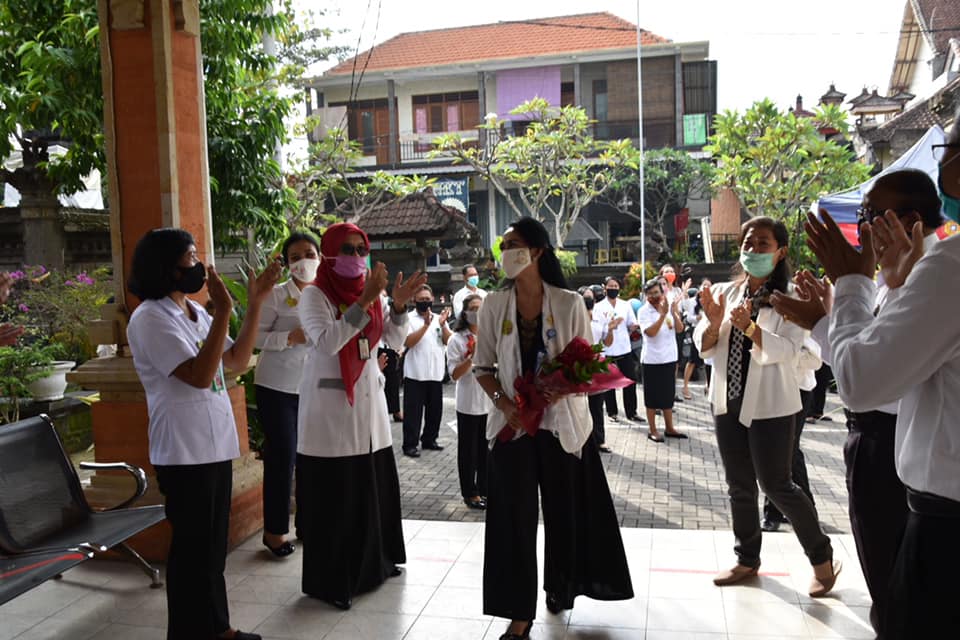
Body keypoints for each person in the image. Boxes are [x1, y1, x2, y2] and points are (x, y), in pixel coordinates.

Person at [772, 168, 946, 637]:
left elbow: (864, 380)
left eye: (868, 215)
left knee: (898, 600)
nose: (860, 229)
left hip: (895, 449)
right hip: (885, 445)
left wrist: (850, 286)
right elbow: (866, 356)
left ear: (908, 218)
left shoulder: (938, 269)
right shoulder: (903, 274)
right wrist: (830, 317)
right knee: (890, 590)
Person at [473, 218, 633, 640]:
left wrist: (560, 391)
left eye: (515, 244)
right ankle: (518, 612)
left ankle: (560, 587)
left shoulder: (567, 303)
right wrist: (503, 403)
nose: (507, 251)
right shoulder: (493, 304)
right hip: (511, 428)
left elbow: (586, 367)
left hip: (561, 425)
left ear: (538, 252)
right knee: (514, 519)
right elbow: (482, 368)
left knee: (564, 513)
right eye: (504, 245)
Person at [126, 228, 281, 640]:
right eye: (191, 257)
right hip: (182, 449)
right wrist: (225, 313)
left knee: (212, 550)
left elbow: (236, 360)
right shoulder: (150, 318)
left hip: (213, 445)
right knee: (192, 552)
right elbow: (197, 375)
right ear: (166, 267)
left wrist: (254, 305)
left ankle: (218, 628)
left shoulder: (195, 313)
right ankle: (189, 633)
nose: (199, 265)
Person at [693, 216, 838, 596]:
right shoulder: (726, 292)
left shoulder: (792, 298)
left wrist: (752, 330)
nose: (752, 251)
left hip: (774, 405)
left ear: (781, 251)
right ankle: (746, 559)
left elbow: (791, 350)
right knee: (739, 485)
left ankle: (822, 559)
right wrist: (712, 322)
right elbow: (706, 345)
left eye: (762, 244)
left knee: (777, 484)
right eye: (747, 243)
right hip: (727, 401)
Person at [295, 222, 426, 610]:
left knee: (373, 487)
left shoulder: (371, 292)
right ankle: (335, 580)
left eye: (360, 249)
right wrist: (365, 299)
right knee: (338, 498)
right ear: (330, 253)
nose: (355, 257)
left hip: (371, 407)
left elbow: (395, 341)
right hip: (330, 412)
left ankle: (379, 564)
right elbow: (327, 341)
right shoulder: (314, 296)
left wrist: (397, 307)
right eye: (347, 249)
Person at [253, 231, 320, 558]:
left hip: (314, 386)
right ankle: (274, 532)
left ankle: (308, 523)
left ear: (320, 257)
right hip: (276, 386)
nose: (304, 261)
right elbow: (253, 336)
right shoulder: (276, 296)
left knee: (310, 457)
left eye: (309, 253)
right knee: (283, 457)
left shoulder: (327, 295)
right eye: (296, 257)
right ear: (287, 263)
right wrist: (288, 337)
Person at [760, 335, 821, 533]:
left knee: (787, 450)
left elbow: (816, 360)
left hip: (800, 390)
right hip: (775, 388)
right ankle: (802, 508)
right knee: (780, 450)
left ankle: (780, 512)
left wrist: (788, 354)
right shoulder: (770, 316)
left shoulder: (804, 322)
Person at [446, 294, 492, 509]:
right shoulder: (456, 340)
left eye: (480, 308)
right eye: (472, 308)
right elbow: (454, 374)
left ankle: (485, 488)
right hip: (468, 403)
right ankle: (470, 492)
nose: (477, 312)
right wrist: (471, 357)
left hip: (489, 403)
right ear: (465, 313)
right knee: (468, 452)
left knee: (487, 451)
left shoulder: (491, 335)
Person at [401, 284, 451, 457]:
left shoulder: (439, 318)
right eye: (421, 299)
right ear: (414, 300)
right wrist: (425, 326)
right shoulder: (408, 319)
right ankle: (410, 444)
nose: (425, 302)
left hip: (435, 373)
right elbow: (408, 342)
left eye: (427, 299)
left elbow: (448, 341)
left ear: (433, 300)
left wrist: (443, 325)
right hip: (415, 373)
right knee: (413, 413)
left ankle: (429, 439)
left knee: (434, 411)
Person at [637, 278, 686, 442]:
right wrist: (662, 315)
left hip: (669, 358)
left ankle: (669, 428)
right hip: (651, 359)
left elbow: (679, 329)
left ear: (662, 292)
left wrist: (674, 313)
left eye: (656, 292)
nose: (654, 296)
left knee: (668, 395)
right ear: (646, 296)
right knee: (652, 397)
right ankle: (652, 430)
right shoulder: (644, 311)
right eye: (650, 294)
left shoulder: (668, 306)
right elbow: (650, 333)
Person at [592, 275, 641, 422]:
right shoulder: (598, 307)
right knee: (609, 382)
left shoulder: (625, 305)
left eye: (615, 286)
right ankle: (612, 412)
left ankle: (632, 411)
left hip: (624, 347)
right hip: (607, 350)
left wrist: (634, 326)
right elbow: (597, 328)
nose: (613, 289)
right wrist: (610, 327)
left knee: (630, 379)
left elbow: (632, 323)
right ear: (605, 288)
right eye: (610, 286)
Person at [580, 285, 615, 452]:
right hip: (577, 365)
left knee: (597, 404)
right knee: (578, 403)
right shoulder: (574, 316)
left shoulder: (600, 316)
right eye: (585, 298)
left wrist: (611, 329)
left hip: (595, 364)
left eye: (590, 298)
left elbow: (607, 342)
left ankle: (599, 440)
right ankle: (581, 440)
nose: (589, 301)